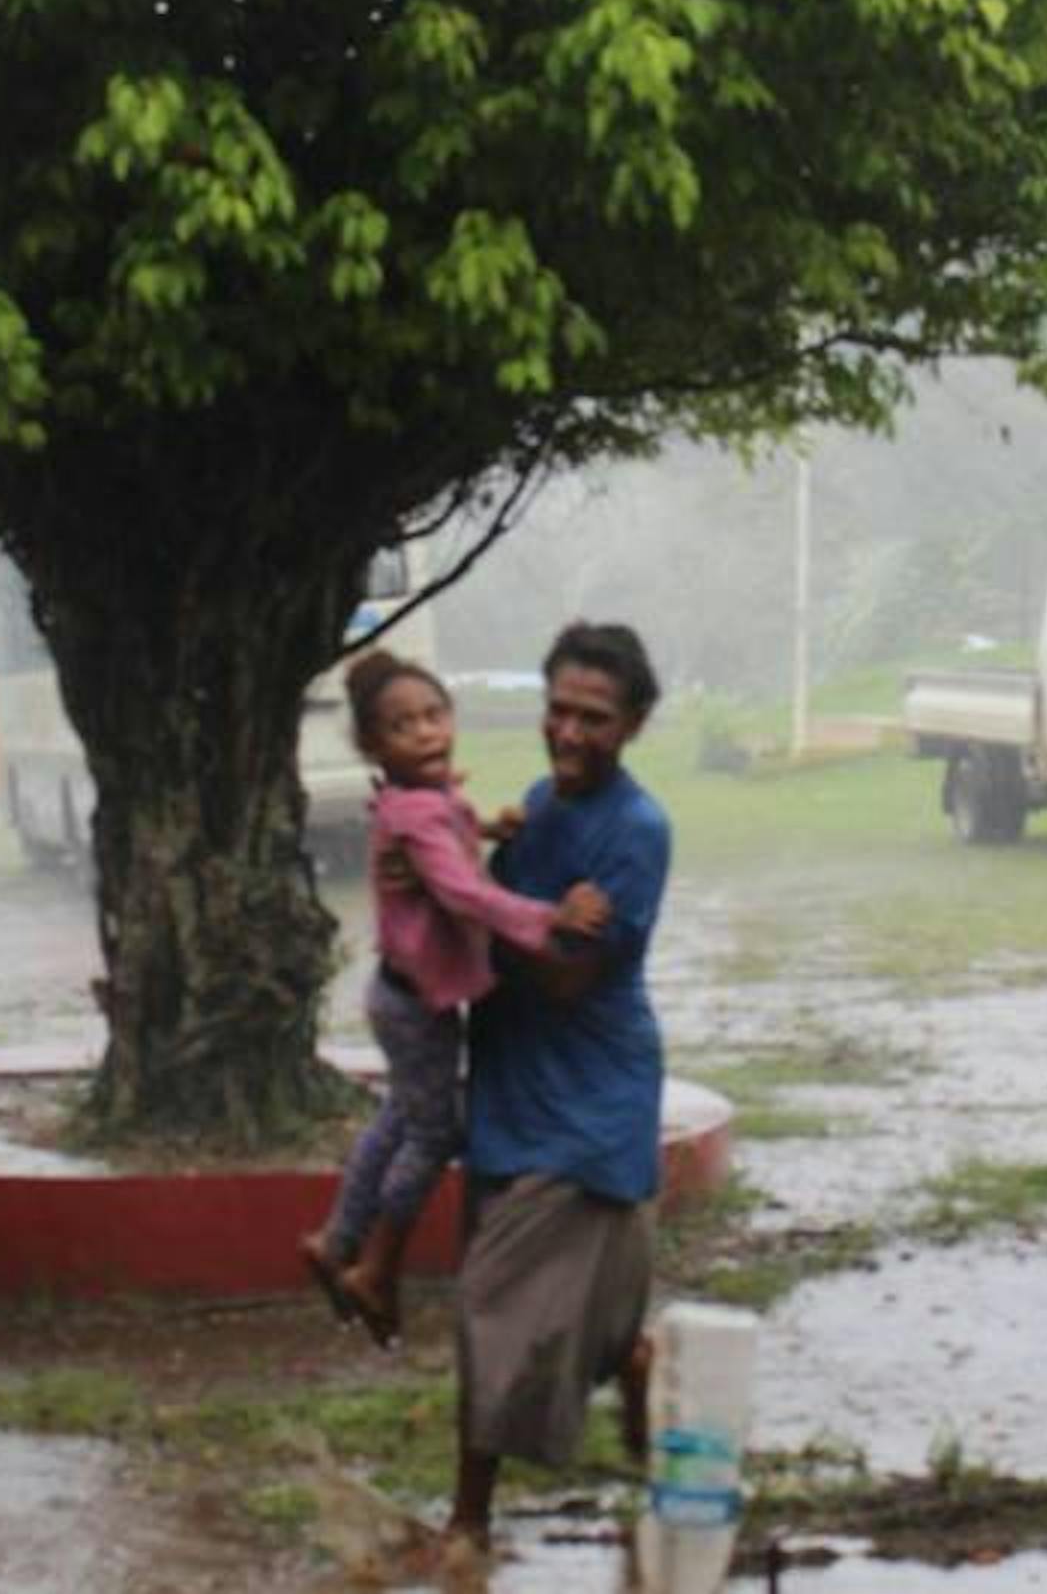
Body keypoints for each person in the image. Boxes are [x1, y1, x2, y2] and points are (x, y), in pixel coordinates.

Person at [299, 649, 612, 1348]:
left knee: (398, 1117)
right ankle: (378, 1263)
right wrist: (547, 919)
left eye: (434, 715)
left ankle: (337, 1237)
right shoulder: (414, 815)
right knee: (433, 1132)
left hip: (405, 993)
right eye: (403, 725)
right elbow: (462, 891)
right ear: (374, 746)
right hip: (418, 1004)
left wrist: (488, 830)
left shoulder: (423, 799)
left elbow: (450, 833)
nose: (426, 732)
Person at [445, 622, 674, 1561]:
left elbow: (571, 974)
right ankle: (631, 1362)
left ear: (633, 725)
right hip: (507, 1080)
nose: (570, 733)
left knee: (488, 1302)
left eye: (595, 717)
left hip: (589, 1096)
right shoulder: (536, 807)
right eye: (559, 710)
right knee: (518, 1297)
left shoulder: (637, 831)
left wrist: (467, 919)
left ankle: (467, 1521)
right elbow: (507, 919)